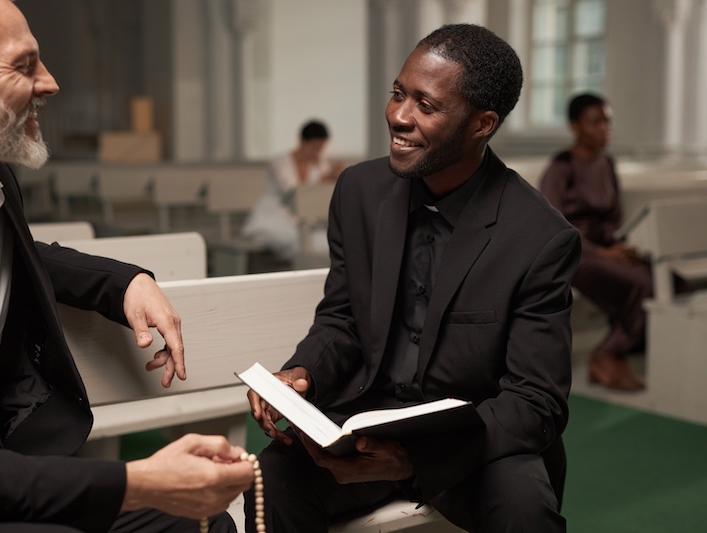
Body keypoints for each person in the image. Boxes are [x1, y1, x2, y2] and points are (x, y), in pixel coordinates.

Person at [0, 1, 253, 532]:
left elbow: (7, 257)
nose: (50, 83)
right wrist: (138, 483)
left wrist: (125, 283)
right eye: (24, 66)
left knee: (196, 527)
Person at [244, 24, 580, 533]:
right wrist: (301, 375)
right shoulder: (358, 190)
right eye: (399, 94)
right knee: (269, 482)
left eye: (426, 105)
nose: (399, 116)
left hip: (471, 442)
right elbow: (342, 320)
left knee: (525, 514)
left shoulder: (539, 237)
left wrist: (414, 462)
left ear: (481, 124)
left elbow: (536, 402)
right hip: (364, 419)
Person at [540, 93, 650, 392]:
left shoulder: (608, 164)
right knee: (642, 285)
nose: (605, 128)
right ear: (575, 126)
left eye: (608, 121)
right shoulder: (561, 166)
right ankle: (607, 355)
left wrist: (621, 248)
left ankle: (616, 352)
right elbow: (555, 226)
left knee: (664, 277)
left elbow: (616, 218)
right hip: (575, 254)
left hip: (606, 250)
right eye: (595, 122)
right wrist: (602, 252)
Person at [241, 120, 344, 260]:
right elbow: (292, 193)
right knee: (296, 240)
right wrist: (324, 179)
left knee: (325, 240)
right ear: (302, 142)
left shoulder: (321, 165)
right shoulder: (279, 163)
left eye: (320, 148)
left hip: (306, 221)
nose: (317, 152)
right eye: (314, 147)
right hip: (276, 216)